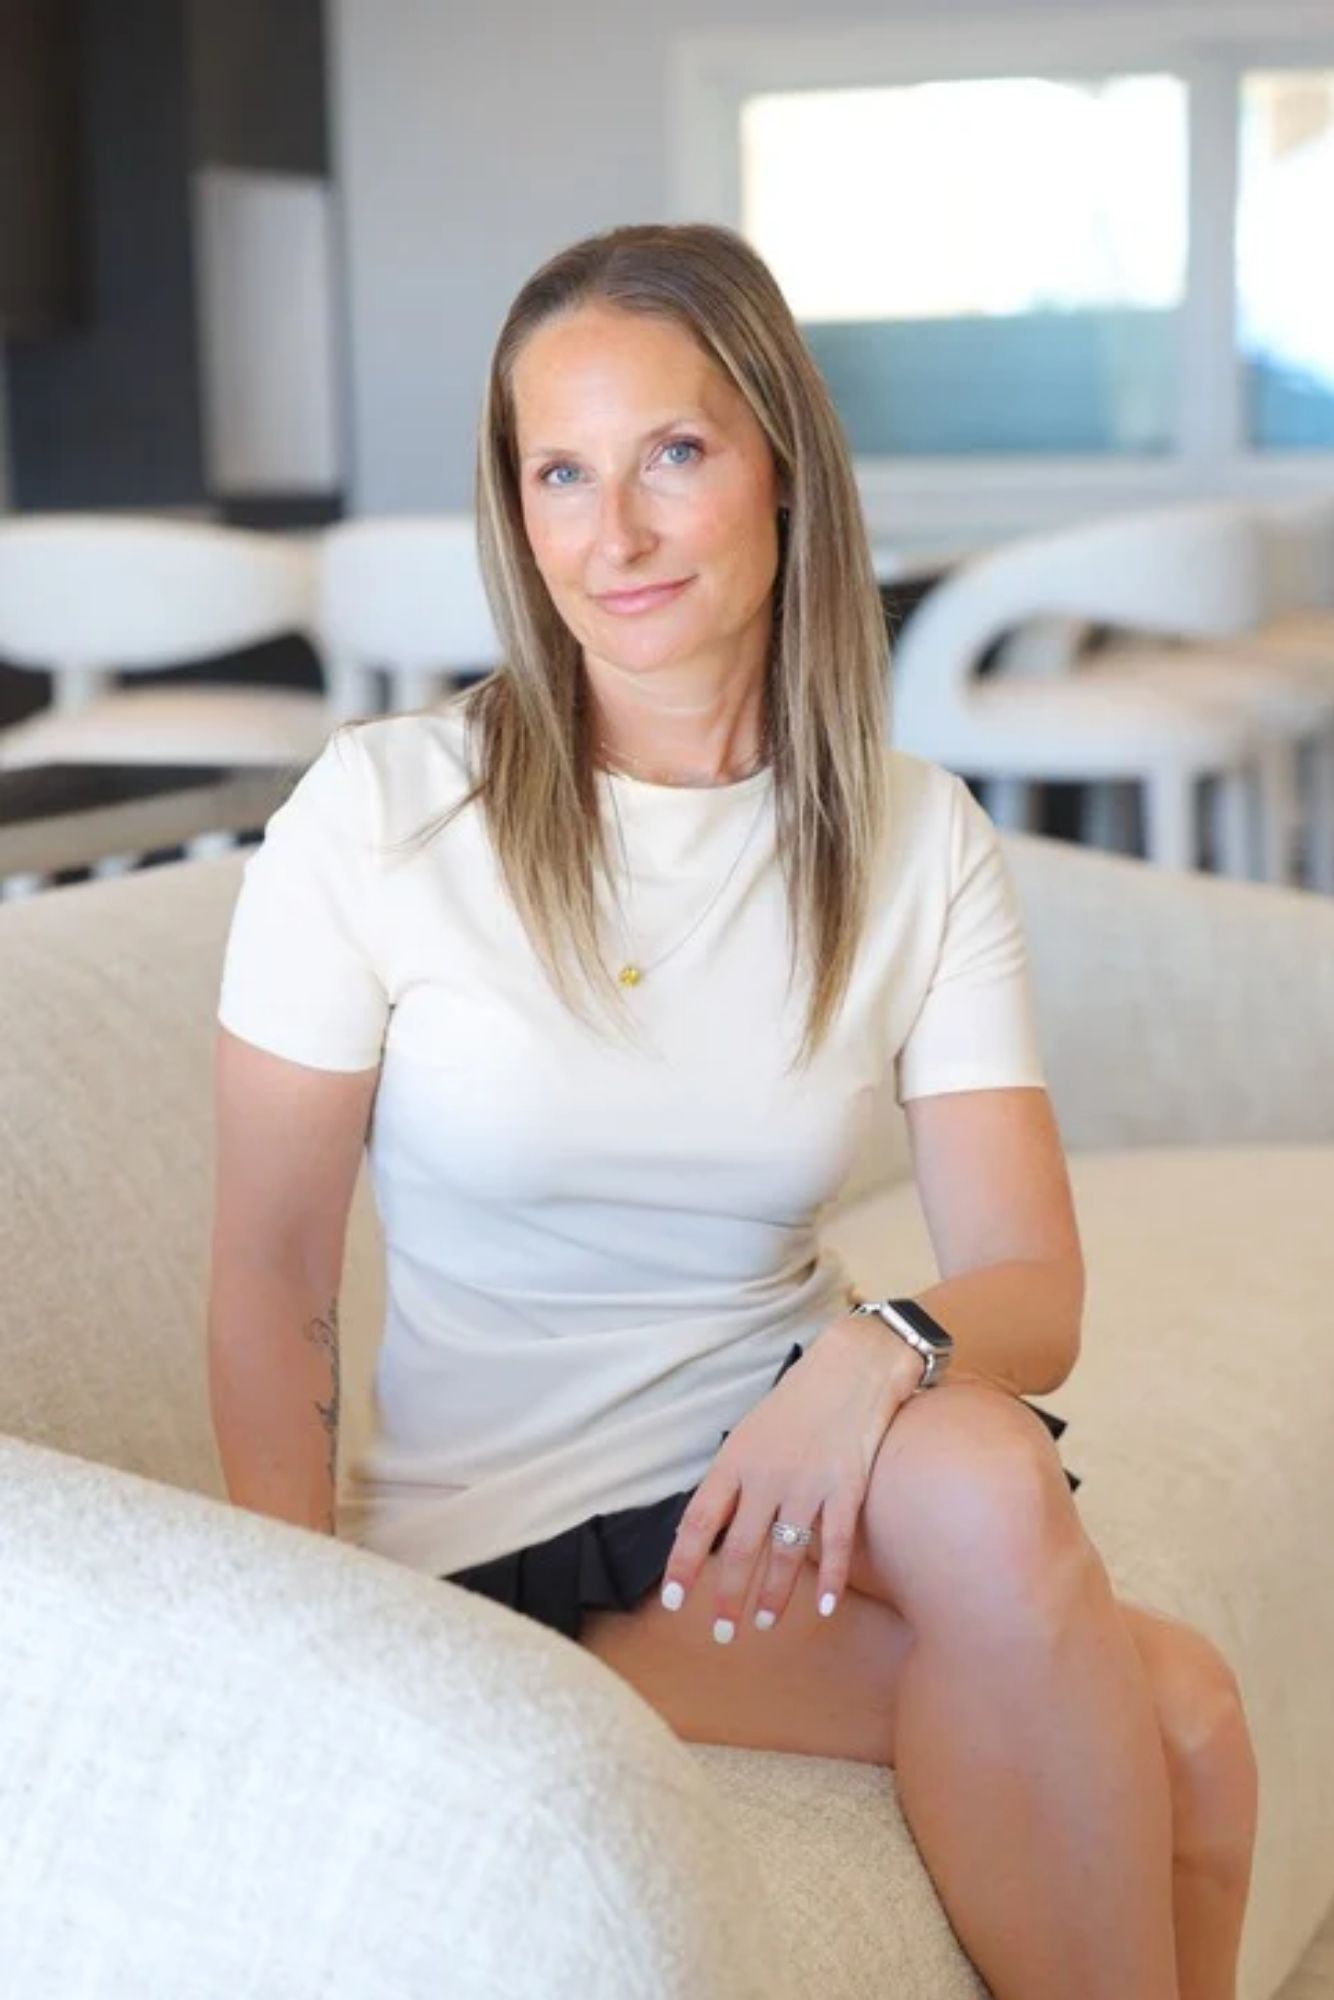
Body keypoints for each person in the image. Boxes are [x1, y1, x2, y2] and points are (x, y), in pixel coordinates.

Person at [209, 222, 1257, 1999]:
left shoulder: (916, 837)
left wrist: (867, 1355)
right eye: (560, 473)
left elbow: (1028, 1286)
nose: (608, 535)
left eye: (671, 456)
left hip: (787, 1458)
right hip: (503, 1525)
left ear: (781, 463)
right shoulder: (384, 812)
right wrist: (311, 1646)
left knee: (1119, 1625)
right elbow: (268, 1269)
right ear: (515, 508)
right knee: (1166, 1715)